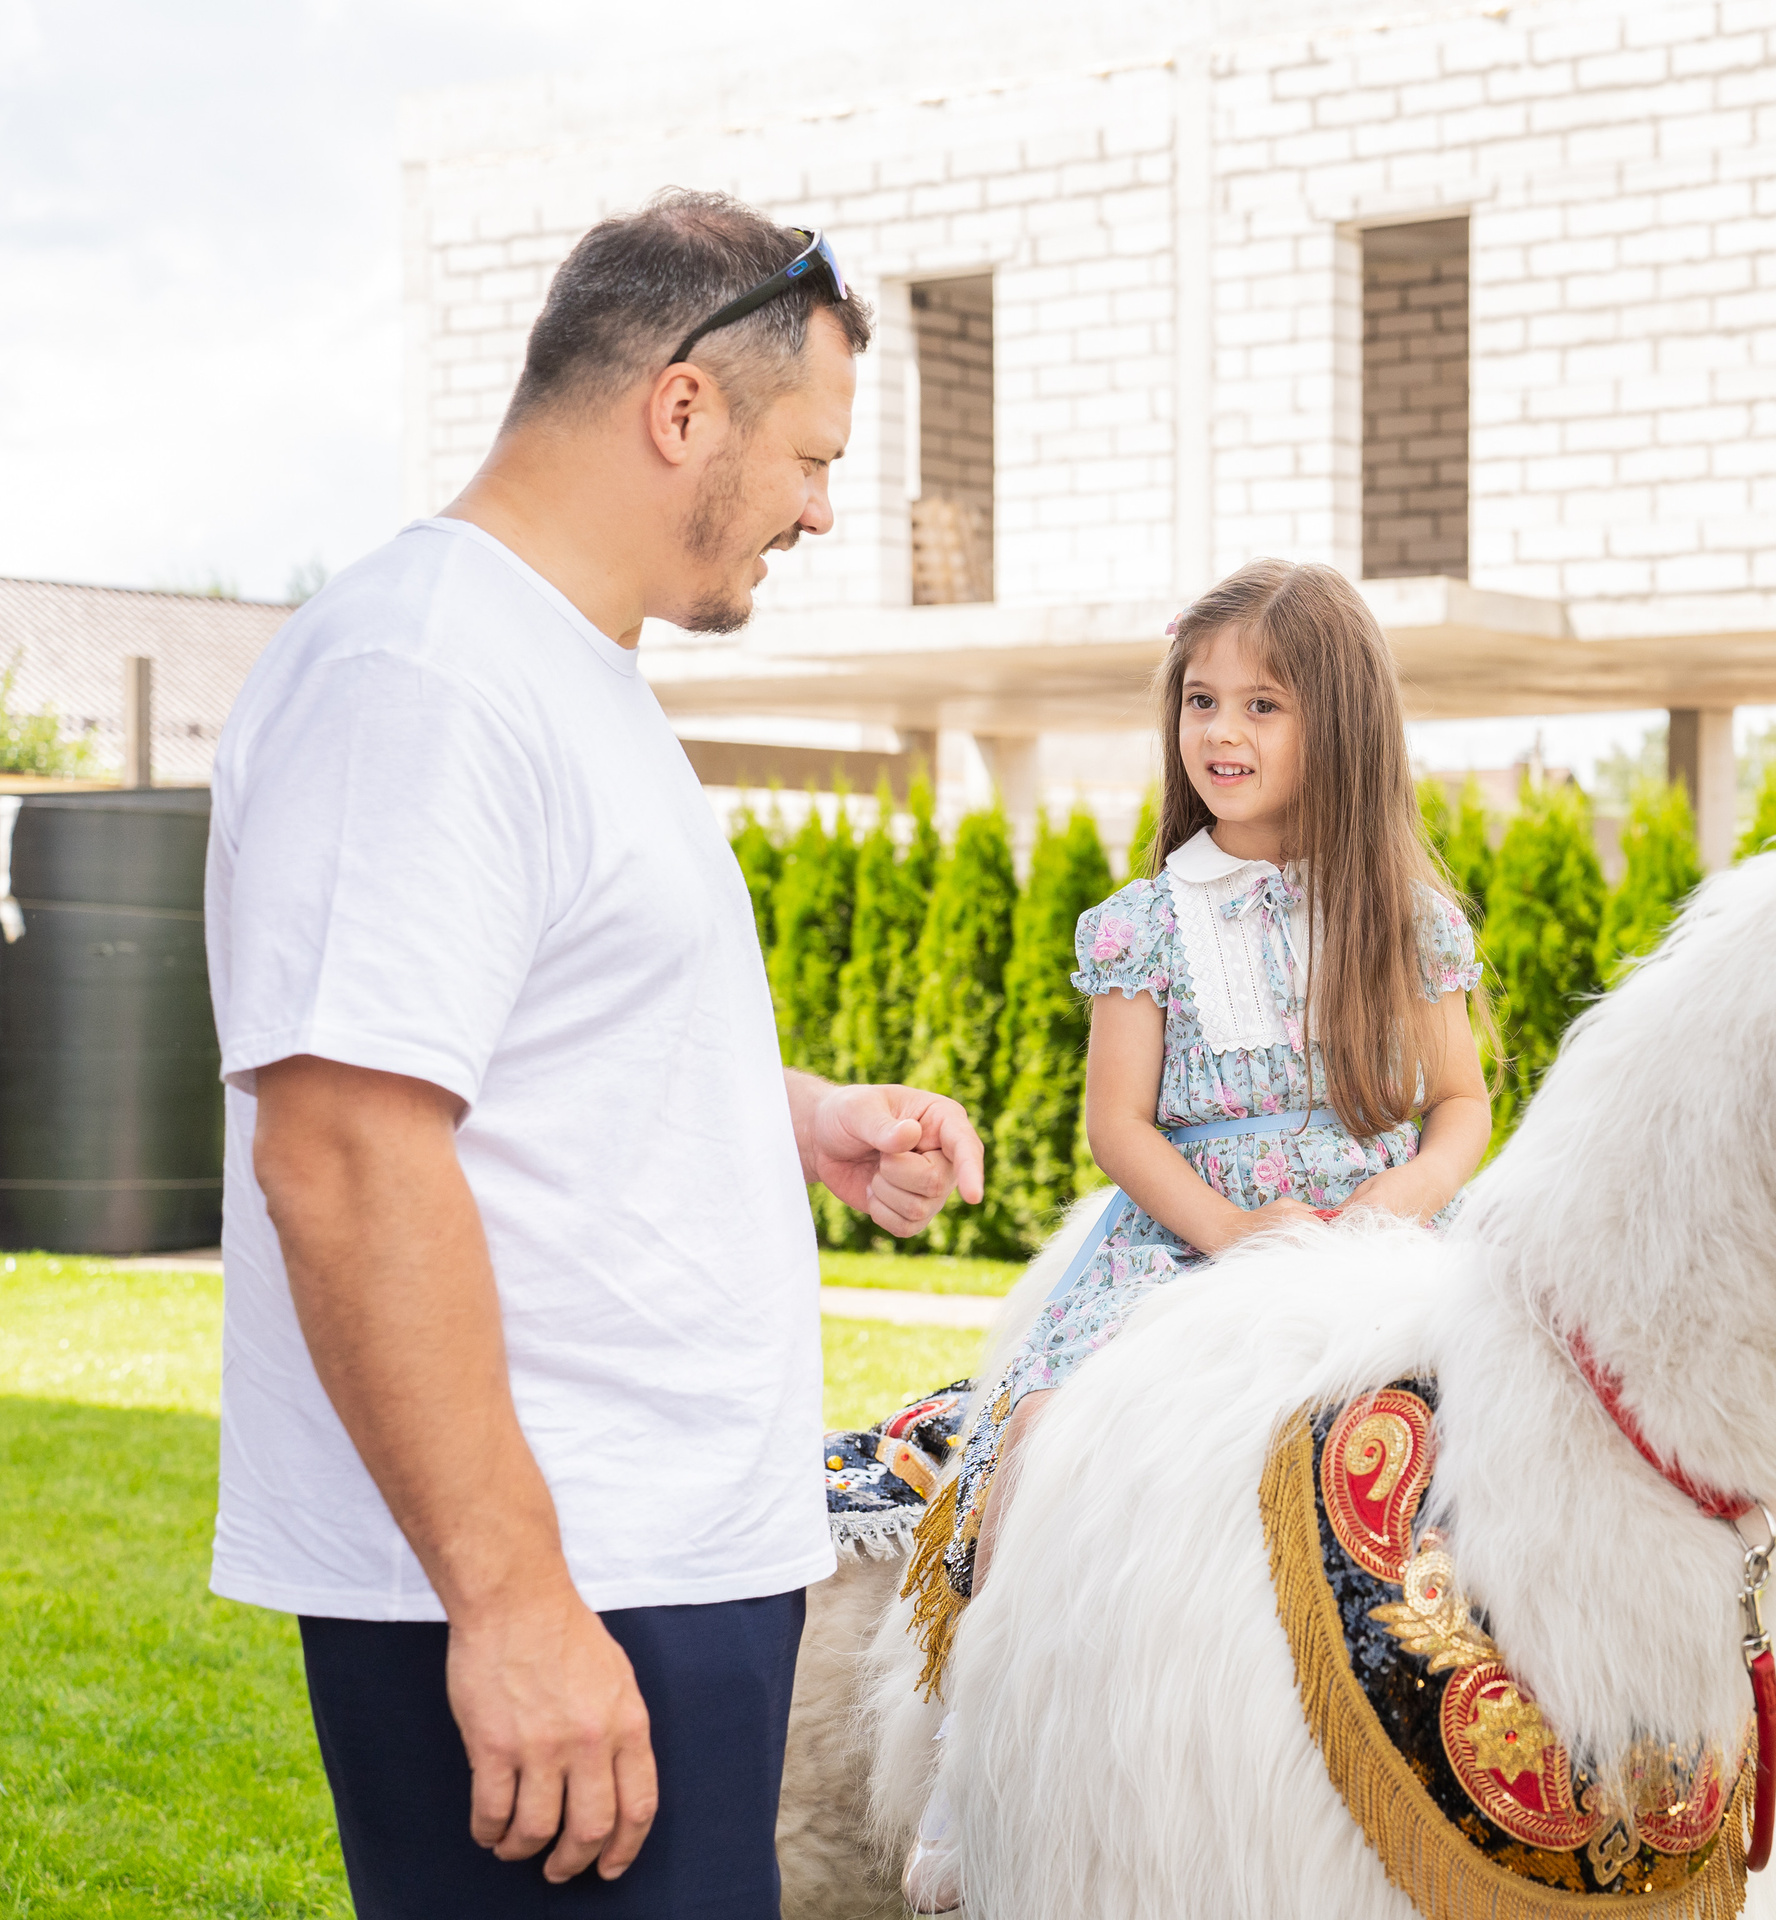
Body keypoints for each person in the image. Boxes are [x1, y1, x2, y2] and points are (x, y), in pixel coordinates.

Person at [208, 191, 982, 1920]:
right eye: (809, 454)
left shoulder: (567, 677)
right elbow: (342, 1156)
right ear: (684, 409)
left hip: (657, 1572)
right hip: (562, 1596)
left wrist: (800, 1121)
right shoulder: (426, 677)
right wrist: (516, 1608)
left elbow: (525, 1046)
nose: (822, 505)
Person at [898, 558, 1496, 1908]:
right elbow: (1120, 1128)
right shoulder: (1148, 927)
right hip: (1189, 1237)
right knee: (1045, 1439)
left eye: (1264, 706)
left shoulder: (1405, 919)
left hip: (1378, 1237)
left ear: (1336, 727)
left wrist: (1369, 1221)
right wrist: (1235, 1233)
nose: (1221, 734)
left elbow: (1460, 1110)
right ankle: (968, 1755)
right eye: (1202, 701)